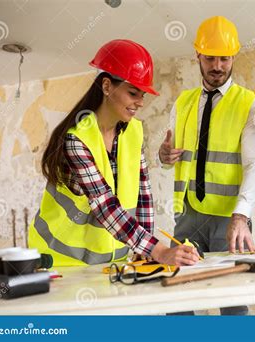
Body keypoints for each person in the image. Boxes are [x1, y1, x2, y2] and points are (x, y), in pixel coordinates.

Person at [28, 39, 199, 267]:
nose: (139, 103)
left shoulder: (134, 132)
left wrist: (144, 253)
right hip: (60, 262)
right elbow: (105, 205)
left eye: (142, 96)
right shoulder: (76, 140)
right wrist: (159, 251)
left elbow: (143, 197)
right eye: (132, 93)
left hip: (106, 265)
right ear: (107, 87)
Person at [158, 16, 255, 315]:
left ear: (233, 57)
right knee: (179, 295)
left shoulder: (249, 104)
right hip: (189, 215)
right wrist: (163, 157)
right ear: (198, 56)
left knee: (231, 300)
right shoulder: (183, 103)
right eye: (210, 57)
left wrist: (241, 217)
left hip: (229, 220)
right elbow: (170, 158)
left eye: (224, 58)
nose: (217, 65)